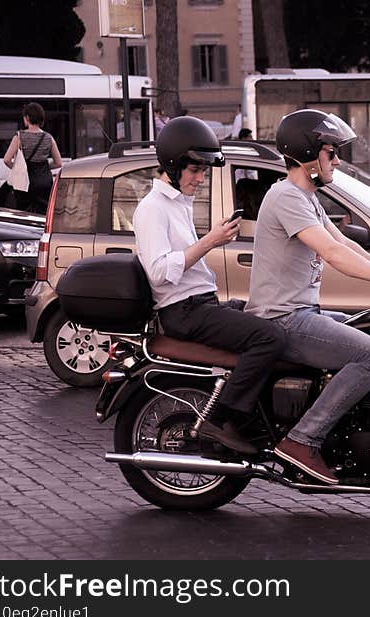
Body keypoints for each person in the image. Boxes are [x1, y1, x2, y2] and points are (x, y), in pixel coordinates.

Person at [246, 108, 370, 484]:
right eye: (331, 152)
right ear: (309, 153)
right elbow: (334, 255)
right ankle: (302, 439)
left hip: (301, 312)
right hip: (283, 319)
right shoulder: (285, 196)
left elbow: (343, 241)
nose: (337, 160)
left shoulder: (306, 197)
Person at [133, 116, 286, 455]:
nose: (201, 178)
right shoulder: (152, 210)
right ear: (173, 166)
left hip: (201, 304)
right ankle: (225, 422)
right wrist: (210, 242)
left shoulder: (177, 205)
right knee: (269, 337)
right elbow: (160, 272)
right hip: (183, 312)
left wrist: (209, 238)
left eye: (203, 171)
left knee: (272, 315)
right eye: (195, 170)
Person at [2, 102, 62, 214]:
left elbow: (6, 159)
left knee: (23, 213)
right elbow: (58, 163)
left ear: (27, 118)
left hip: (25, 182)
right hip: (44, 181)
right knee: (44, 214)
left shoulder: (19, 136)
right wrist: (43, 167)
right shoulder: (48, 138)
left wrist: (17, 169)